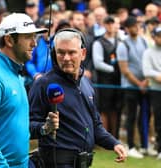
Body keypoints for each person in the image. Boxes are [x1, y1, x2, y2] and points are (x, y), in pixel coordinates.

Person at [28, 28, 127, 168]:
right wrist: (45, 127)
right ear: (54, 54)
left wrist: (114, 143)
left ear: (83, 53)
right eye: (61, 52)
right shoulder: (43, 84)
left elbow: (95, 125)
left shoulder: (86, 83)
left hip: (83, 163)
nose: (66, 58)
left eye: (71, 52)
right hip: (56, 162)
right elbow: (27, 126)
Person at [0, 13, 59, 167]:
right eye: (28, 37)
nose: (34, 44)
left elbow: (11, 125)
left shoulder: (15, 73)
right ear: (9, 40)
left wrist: (44, 129)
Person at [116, 16, 156, 158]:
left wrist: (145, 81)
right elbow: (125, 70)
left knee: (145, 115)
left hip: (145, 85)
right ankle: (131, 146)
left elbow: (147, 61)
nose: (135, 28)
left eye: (136, 25)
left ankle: (145, 146)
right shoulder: (123, 45)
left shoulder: (143, 42)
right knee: (131, 116)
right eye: (132, 26)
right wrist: (139, 84)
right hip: (130, 87)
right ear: (126, 29)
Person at [142, 26, 161, 159]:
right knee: (159, 120)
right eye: (159, 35)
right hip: (156, 90)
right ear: (154, 37)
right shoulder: (148, 52)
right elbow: (146, 71)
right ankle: (160, 149)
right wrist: (157, 75)